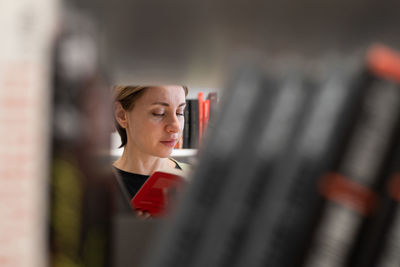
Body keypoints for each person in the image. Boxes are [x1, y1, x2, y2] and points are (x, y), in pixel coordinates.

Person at [112, 85, 191, 217]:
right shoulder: (98, 190)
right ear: (122, 115)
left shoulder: (192, 178)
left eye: (180, 112)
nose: (176, 126)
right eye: (159, 113)